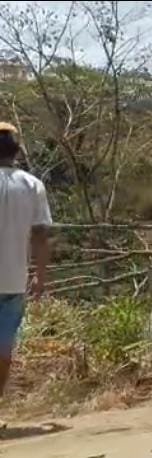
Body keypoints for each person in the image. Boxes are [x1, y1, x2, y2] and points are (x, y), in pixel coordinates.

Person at [0, 122, 50, 397]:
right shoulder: (33, 185)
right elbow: (41, 235)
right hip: (14, 280)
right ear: (17, 151)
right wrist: (39, 276)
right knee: (4, 348)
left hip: (14, 282)